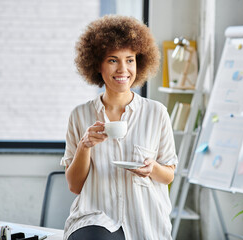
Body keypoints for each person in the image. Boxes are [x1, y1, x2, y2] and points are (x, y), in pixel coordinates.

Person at [60, 15, 178, 240]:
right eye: (113, 60)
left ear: (139, 62)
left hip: (146, 220)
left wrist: (151, 168)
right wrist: (85, 146)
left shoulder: (156, 113)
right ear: (97, 64)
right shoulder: (80, 115)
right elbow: (75, 186)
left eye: (130, 60)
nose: (123, 69)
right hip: (95, 216)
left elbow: (168, 175)